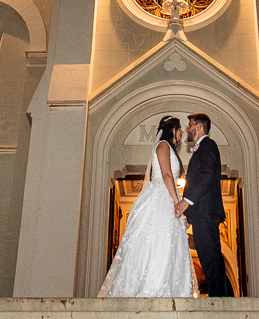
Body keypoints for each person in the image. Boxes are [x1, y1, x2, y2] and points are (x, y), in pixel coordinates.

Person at [98, 116, 196, 297]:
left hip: (168, 196)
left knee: (169, 244)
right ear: (172, 129)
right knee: (156, 241)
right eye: (179, 128)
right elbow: (167, 175)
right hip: (161, 197)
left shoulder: (169, 148)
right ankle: (151, 288)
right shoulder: (163, 145)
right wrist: (177, 203)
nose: (182, 131)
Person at [175, 113, 235, 297]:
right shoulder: (201, 149)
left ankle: (220, 298)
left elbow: (207, 177)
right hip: (201, 213)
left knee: (210, 256)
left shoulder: (208, 145)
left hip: (207, 213)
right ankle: (224, 296)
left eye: (190, 125)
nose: (187, 129)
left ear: (199, 127)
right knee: (208, 256)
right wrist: (190, 216)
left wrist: (186, 201)